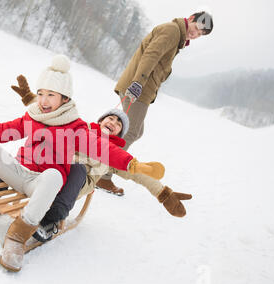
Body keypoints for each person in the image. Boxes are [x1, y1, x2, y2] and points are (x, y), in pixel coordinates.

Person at [0, 54, 165, 272]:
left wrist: (133, 165)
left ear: (65, 97)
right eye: (41, 93)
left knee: (55, 175)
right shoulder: (33, 115)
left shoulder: (77, 127)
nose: (43, 100)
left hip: (39, 183)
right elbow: (2, 130)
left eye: (50, 95)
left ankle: (18, 237)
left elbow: (101, 148)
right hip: (19, 170)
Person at [11, 75, 192, 243]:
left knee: (78, 168)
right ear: (100, 122)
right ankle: (4, 181)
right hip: (53, 168)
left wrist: (164, 193)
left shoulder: (113, 155)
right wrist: (29, 98)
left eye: (118, 124)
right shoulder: (82, 130)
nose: (113, 122)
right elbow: (55, 116)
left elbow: (138, 174)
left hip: (73, 184)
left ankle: (50, 221)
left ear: (119, 133)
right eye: (110, 119)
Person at [97, 11, 214, 194]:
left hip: (143, 89)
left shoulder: (177, 36)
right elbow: (150, 55)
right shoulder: (172, 31)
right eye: (197, 29)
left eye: (200, 35)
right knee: (130, 131)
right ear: (191, 19)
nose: (196, 34)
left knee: (136, 131)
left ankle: (102, 163)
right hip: (138, 88)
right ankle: (102, 175)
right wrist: (137, 83)